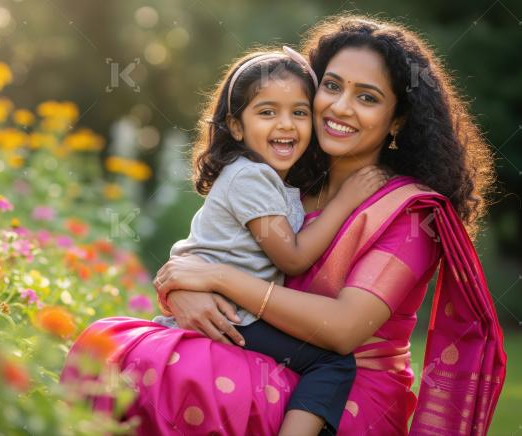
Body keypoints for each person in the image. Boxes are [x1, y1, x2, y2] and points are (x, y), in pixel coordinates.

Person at [62, 15, 505, 435]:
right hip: (269, 356)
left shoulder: (408, 213)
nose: (341, 107)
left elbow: (342, 330)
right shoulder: (288, 186)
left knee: (172, 372)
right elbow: (210, 250)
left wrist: (217, 279)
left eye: (367, 97)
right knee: (118, 350)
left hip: (344, 393)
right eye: (331, 86)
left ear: (398, 120)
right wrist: (182, 289)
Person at [150, 46, 388, 436]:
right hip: (233, 313)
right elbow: (292, 259)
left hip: (231, 305)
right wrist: (346, 202)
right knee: (333, 364)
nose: (286, 124)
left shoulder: (266, 179)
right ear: (237, 127)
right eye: (267, 112)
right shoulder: (251, 178)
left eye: (299, 112)